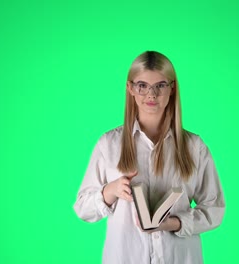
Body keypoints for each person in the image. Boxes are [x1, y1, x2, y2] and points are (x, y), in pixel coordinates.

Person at [73, 51, 225, 264]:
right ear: (130, 89)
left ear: (172, 88)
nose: (151, 95)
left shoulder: (194, 147)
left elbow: (214, 208)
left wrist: (172, 223)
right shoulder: (109, 144)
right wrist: (112, 190)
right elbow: (83, 208)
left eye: (160, 85)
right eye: (142, 86)